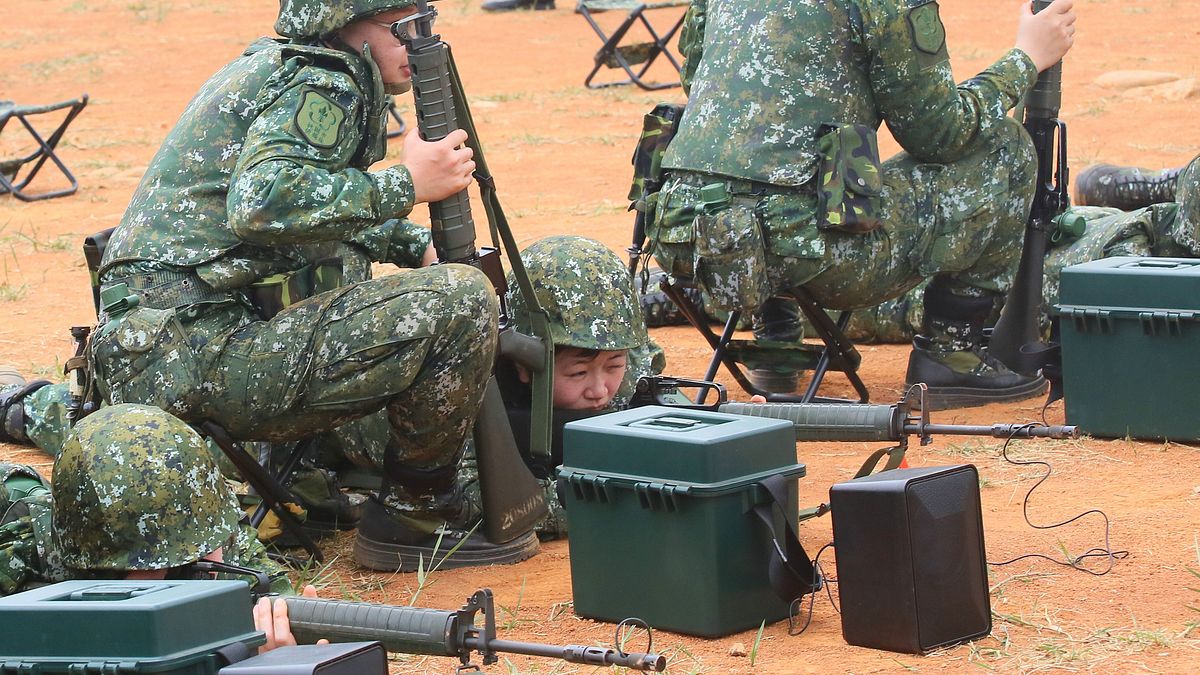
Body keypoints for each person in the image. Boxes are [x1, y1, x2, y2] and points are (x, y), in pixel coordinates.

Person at [84, 0, 536, 572]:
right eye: (403, 27)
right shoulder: (328, 81)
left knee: (411, 286)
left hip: (162, 345)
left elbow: (299, 215)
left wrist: (405, 243)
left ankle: (310, 477)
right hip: (196, 350)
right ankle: (412, 518)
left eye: (426, 19)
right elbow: (262, 205)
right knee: (462, 300)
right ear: (345, 26)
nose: (419, 41)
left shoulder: (289, 64)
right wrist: (406, 185)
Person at [645, 0, 1077, 410]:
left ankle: (775, 339)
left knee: (783, 175)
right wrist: (1026, 57)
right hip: (813, 254)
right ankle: (952, 352)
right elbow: (941, 134)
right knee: (1005, 147)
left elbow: (703, 83)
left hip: (685, 238)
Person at [0, 403, 319, 652]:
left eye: (196, 558)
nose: (191, 570)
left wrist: (268, 655)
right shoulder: (27, 544)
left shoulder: (214, 534)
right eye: (159, 567)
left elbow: (274, 603)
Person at [459, 236, 666, 539]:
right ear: (526, 365)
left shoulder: (631, 364)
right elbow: (476, 502)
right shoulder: (475, 389)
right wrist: (591, 495)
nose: (599, 390)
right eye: (579, 373)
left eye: (613, 366)